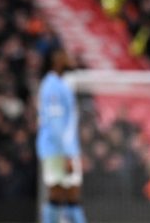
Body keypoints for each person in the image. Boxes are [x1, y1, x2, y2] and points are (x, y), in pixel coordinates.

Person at [36, 48, 88, 223]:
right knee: (63, 193)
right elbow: (55, 123)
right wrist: (66, 154)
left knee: (65, 194)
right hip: (58, 149)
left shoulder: (58, 84)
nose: (69, 59)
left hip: (60, 148)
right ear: (57, 60)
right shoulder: (52, 86)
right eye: (65, 56)